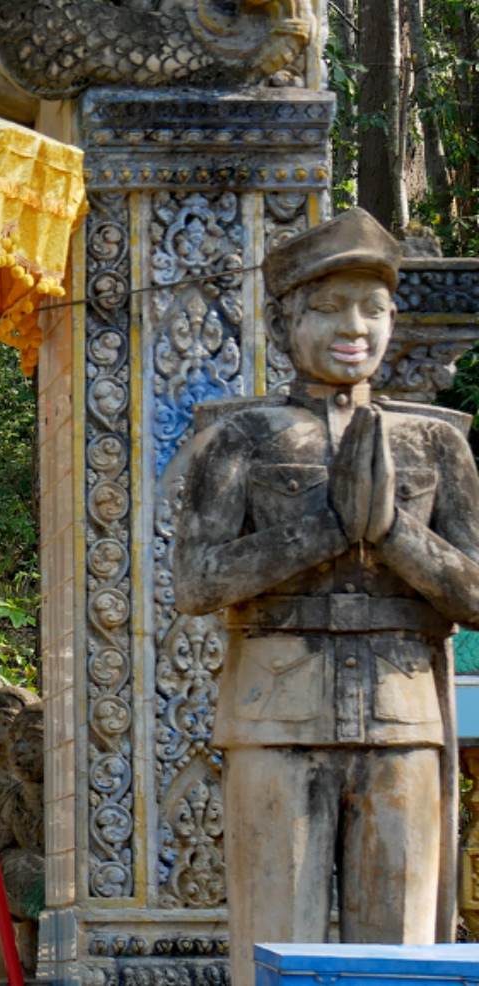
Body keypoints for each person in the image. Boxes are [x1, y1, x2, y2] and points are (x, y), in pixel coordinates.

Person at [174, 208, 479, 982]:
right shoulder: (241, 437)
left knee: (400, 953)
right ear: (285, 323)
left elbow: (475, 593)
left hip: (403, 712)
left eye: (373, 308)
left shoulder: (437, 441)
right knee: (276, 946)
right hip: (279, 711)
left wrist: (393, 535)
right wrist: (323, 532)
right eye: (329, 307)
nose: (355, 327)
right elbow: (196, 584)